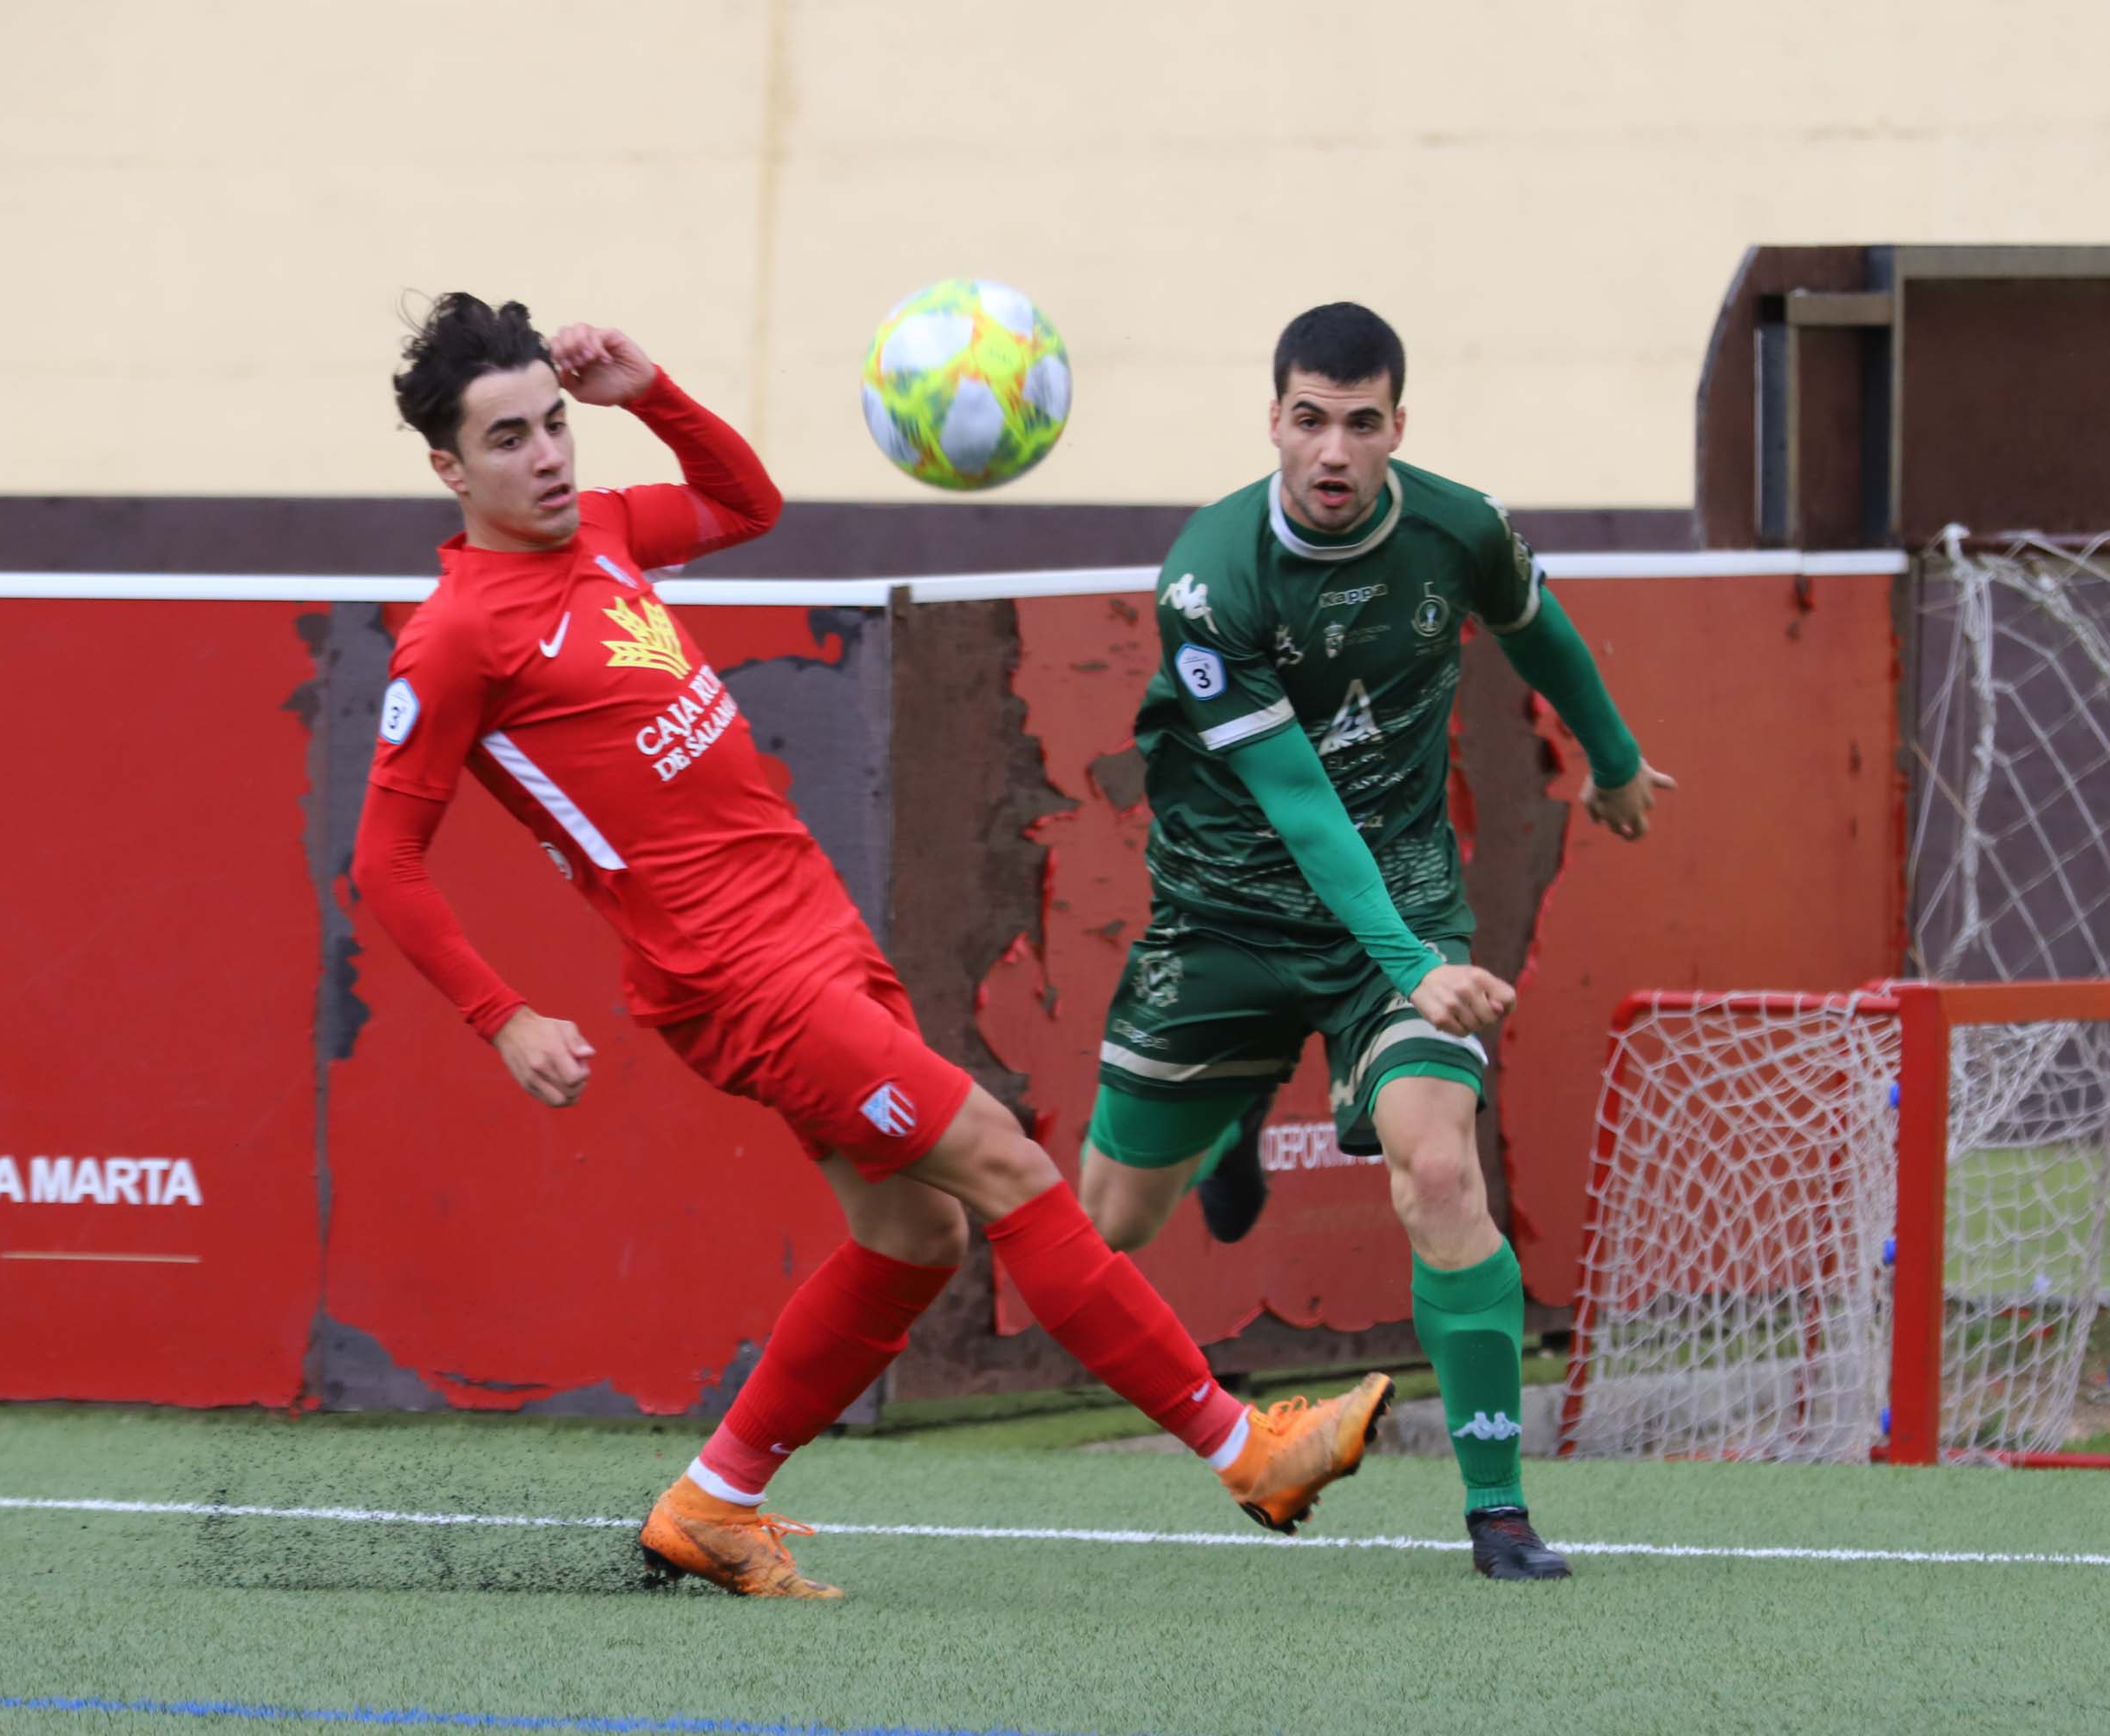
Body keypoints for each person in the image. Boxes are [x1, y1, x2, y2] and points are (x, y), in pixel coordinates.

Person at [350, 293, 1392, 1601]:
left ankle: (712, 1505)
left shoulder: (605, 528)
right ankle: (1248, 1452)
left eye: (555, 424)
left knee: (915, 1237)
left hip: (812, 926)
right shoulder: (453, 639)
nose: (551, 457)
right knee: (1007, 1165)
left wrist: (649, 391)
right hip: (733, 979)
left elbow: (746, 504)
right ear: (449, 468)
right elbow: (381, 864)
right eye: (508, 440)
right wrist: (500, 1014)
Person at [1075, 302, 1673, 1581]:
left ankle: (1499, 1510)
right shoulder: (1208, 579)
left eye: (1361, 423)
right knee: (1110, 1223)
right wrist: (1422, 970)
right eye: (1309, 421)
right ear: (1272, 422)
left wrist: (1613, 759)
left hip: (1397, 902)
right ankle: (1230, 1122)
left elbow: (1539, 629)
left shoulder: (1458, 526)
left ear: (1400, 426)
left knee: (1441, 1172)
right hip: (1226, 912)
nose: (1333, 451)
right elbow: (1295, 802)